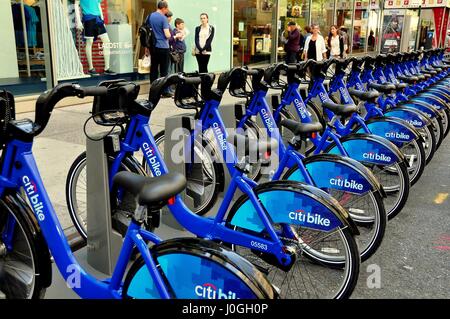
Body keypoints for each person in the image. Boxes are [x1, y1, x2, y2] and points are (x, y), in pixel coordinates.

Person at [75, 0, 115, 76]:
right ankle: (91, 68)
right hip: (88, 18)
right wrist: (78, 21)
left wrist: (102, 20)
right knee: (89, 41)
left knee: (106, 41)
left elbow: (98, 5)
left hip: (98, 18)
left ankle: (107, 68)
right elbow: (76, 4)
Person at [147, 0, 172, 95]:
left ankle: (153, 89)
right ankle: (164, 91)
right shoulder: (163, 18)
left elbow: (147, 32)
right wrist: (171, 35)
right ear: (164, 8)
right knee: (164, 70)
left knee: (153, 69)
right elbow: (167, 34)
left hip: (153, 47)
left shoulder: (149, 16)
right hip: (163, 47)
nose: (167, 10)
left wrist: (147, 47)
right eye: (167, 8)